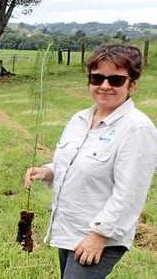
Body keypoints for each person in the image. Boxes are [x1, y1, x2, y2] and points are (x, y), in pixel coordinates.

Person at [24, 44, 157, 278]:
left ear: (132, 85)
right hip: (68, 229)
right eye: (97, 78)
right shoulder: (79, 119)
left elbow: (130, 193)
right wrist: (47, 171)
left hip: (98, 237)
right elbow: (73, 164)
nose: (104, 86)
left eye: (115, 80)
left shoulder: (137, 128)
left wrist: (99, 236)